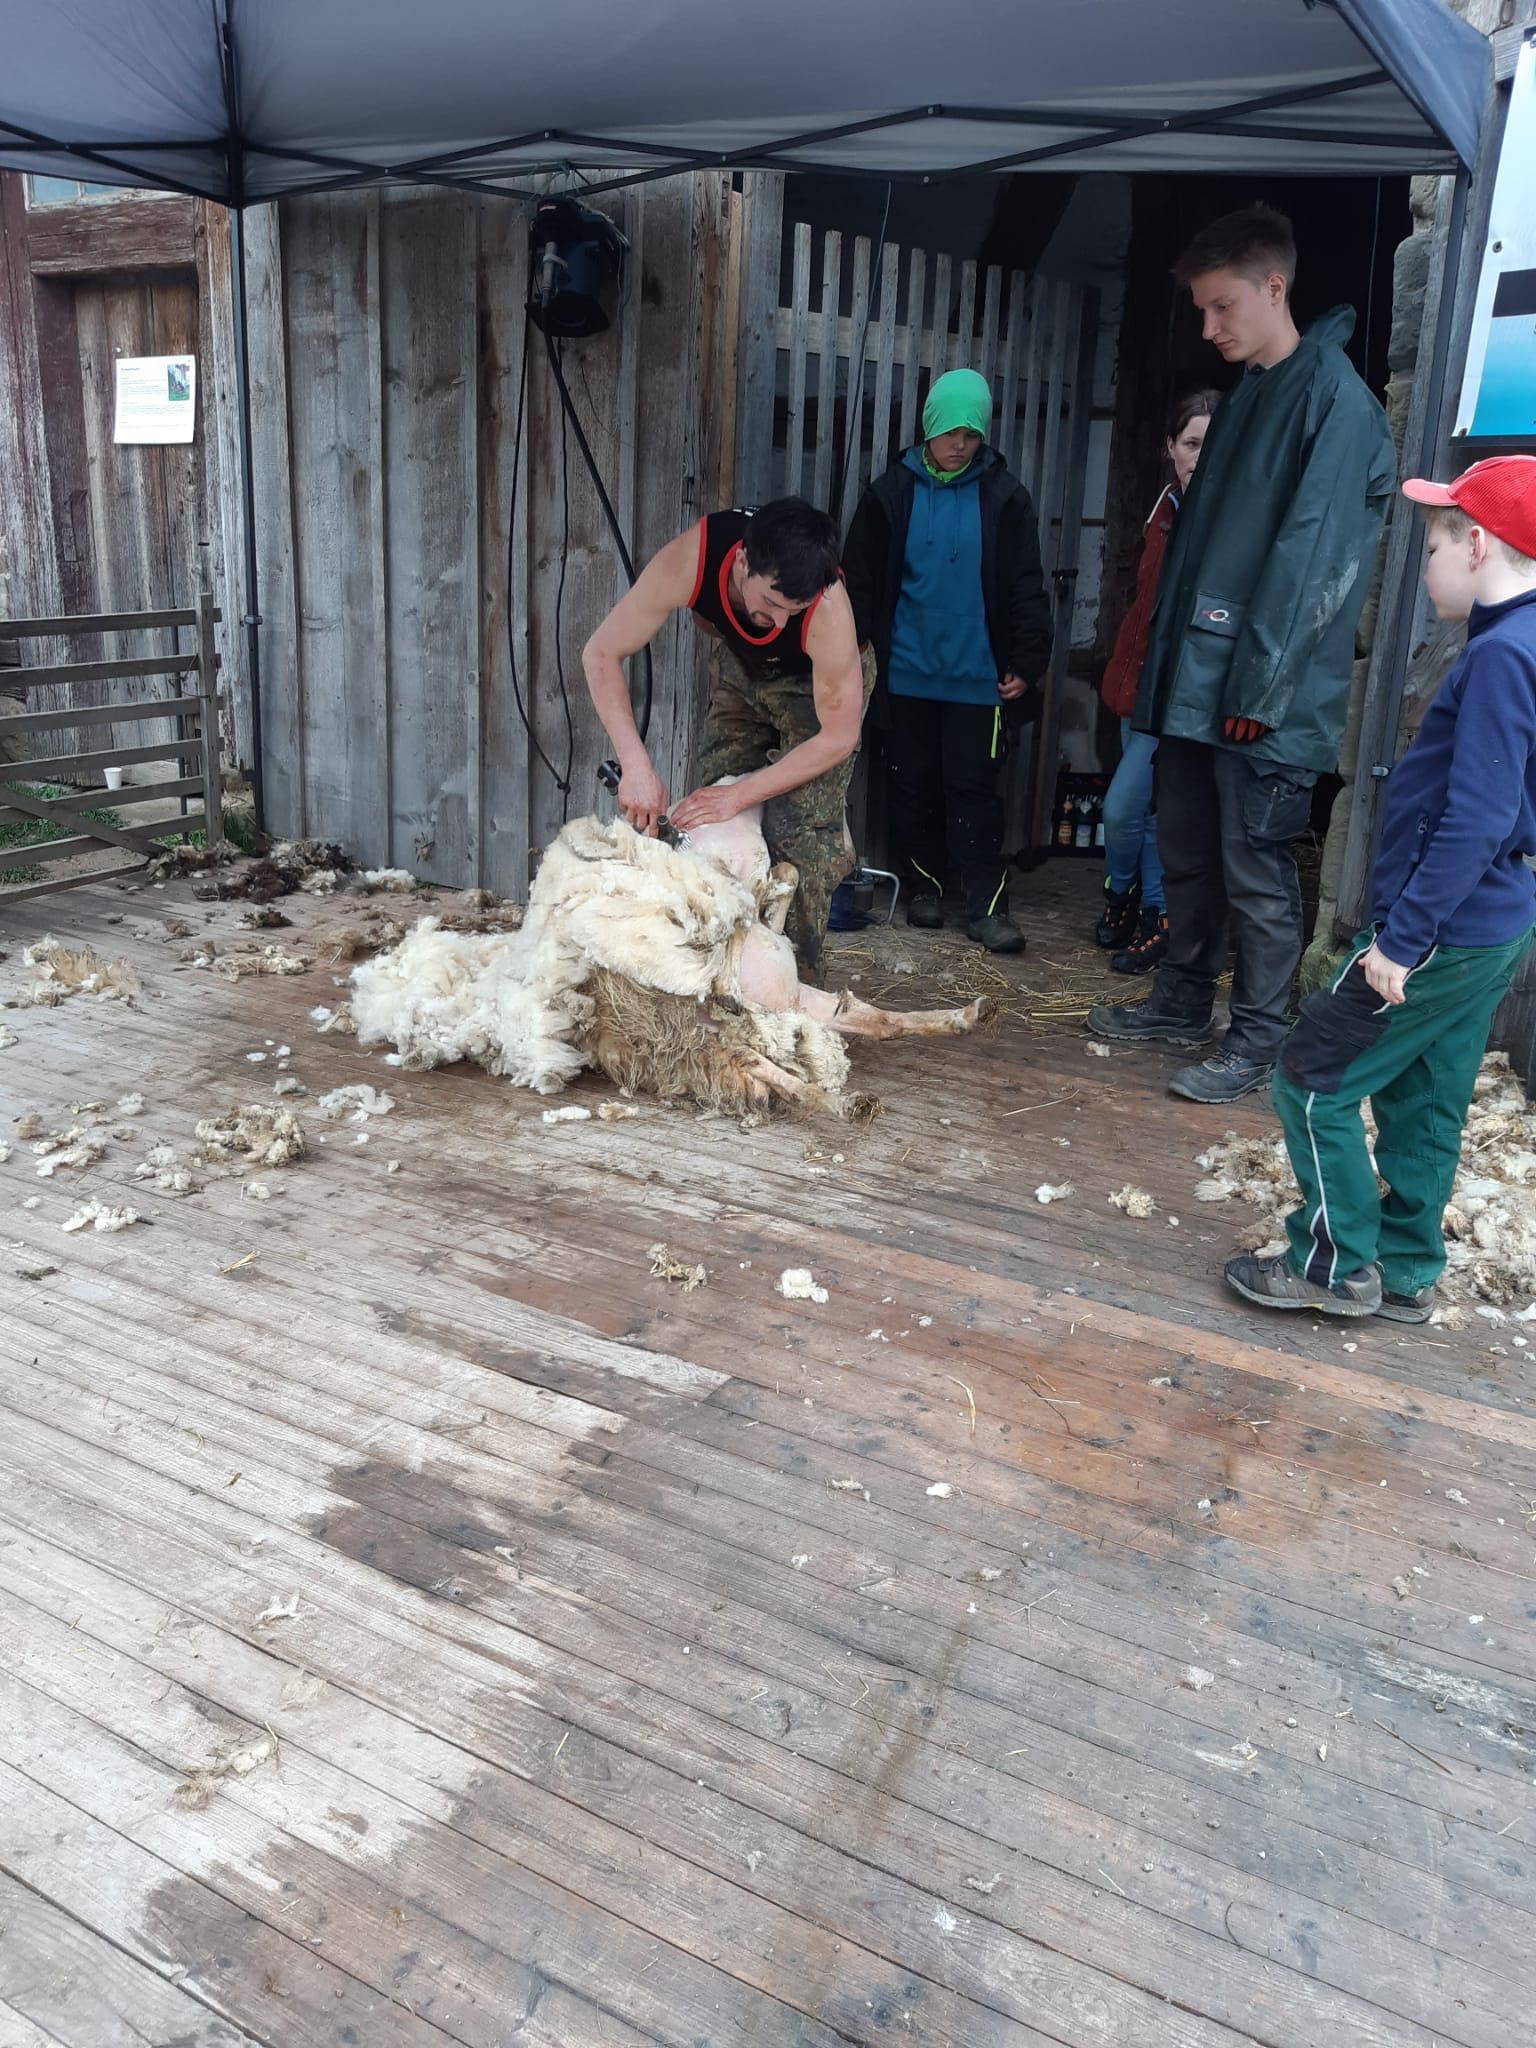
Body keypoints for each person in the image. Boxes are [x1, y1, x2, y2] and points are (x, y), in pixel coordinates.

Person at [1088, 205, 1396, 1103]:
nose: (1207, 327)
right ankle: (1182, 998)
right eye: (1199, 310)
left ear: (1274, 288)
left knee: (1258, 873)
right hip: (1197, 686)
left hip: (1264, 698)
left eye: (1222, 307)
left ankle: (1258, 1040)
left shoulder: (1335, 404)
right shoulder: (1256, 391)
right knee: (1184, 849)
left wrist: (1258, 687)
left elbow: (1313, 562)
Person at [1224, 456, 1536, 1320]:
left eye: (1433, 543)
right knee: (1427, 1090)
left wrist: (1402, 941)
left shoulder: (1505, 654)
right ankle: (1404, 1268)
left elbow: (1477, 816)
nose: (1424, 561)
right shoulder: (1521, 640)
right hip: (1490, 922)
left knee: (1311, 1076)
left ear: (1476, 546)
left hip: (1441, 929)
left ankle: (1333, 1266)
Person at [582, 496, 872, 984]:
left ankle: (792, 993)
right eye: (772, 605)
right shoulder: (690, 560)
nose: (781, 622)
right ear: (742, 562)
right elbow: (601, 653)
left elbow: (839, 737)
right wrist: (634, 763)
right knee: (707, 822)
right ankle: (710, 970)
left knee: (796, 833)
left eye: (793, 610)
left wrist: (742, 792)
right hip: (743, 665)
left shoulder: (827, 613)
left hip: (818, 689)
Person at [843, 367, 1052, 954]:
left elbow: (1026, 586)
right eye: (950, 431)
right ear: (929, 427)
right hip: (907, 674)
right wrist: (856, 650)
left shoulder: (1005, 498)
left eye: (971, 432)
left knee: (973, 791)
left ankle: (988, 908)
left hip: (976, 679)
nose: (961, 443)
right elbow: (859, 581)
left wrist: (1028, 659)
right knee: (911, 786)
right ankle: (924, 889)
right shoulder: (891, 494)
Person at [1095, 389, 1219, 974]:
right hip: (1138, 684)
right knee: (1136, 812)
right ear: (1171, 447)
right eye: (1192, 442)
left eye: (1212, 443)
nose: (1201, 454)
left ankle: (1151, 911)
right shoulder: (1162, 510)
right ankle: (1130, 902)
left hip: (1184, 698)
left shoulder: (1226, 518)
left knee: (1132, 808)